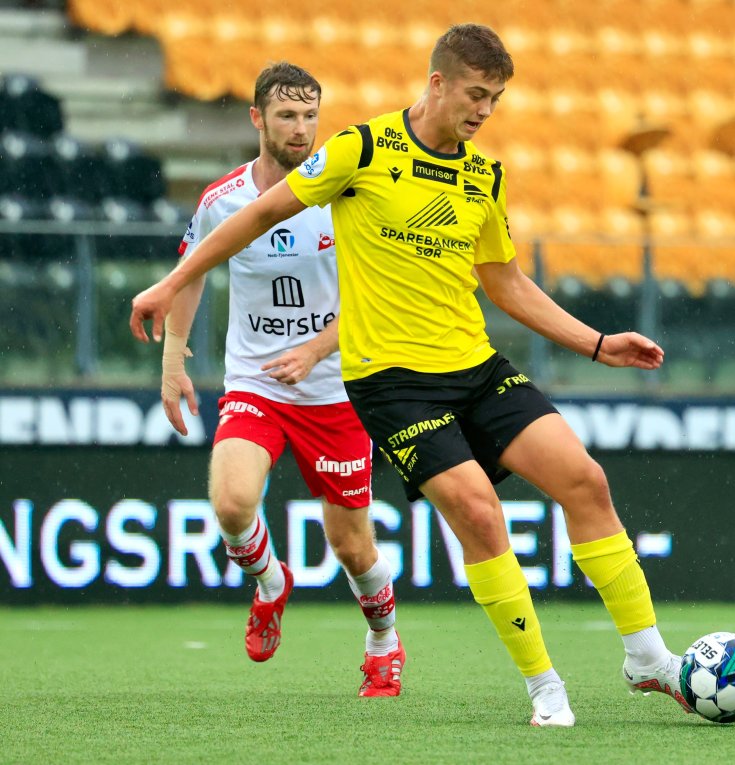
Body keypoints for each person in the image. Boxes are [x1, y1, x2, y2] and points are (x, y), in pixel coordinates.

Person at [130, 24, 686, 727]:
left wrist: (598, 343)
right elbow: (261, 214)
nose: (484, 111)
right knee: (479, 511)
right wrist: (171, 285)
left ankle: (648, 657)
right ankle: (545, 683)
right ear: (436, 84)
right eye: (476, 94)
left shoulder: (483, 174)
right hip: (391, 383)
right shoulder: (361, 150)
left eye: (496, 99)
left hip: (474, 365)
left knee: (587, 480)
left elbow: (507, 284)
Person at [161, 62, 404, 697]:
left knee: (351, 545)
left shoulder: (347, 194)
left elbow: (380, 296)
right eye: (287, 116)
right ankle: (270, 581)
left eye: (309, 116)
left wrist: (317, 351)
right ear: (257, 120)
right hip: (257, 383)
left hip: (335, 390)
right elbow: (191, 271)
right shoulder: (223, 200)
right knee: (232, 502)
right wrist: (172, 362)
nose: (301, 129)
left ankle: (383, 638)